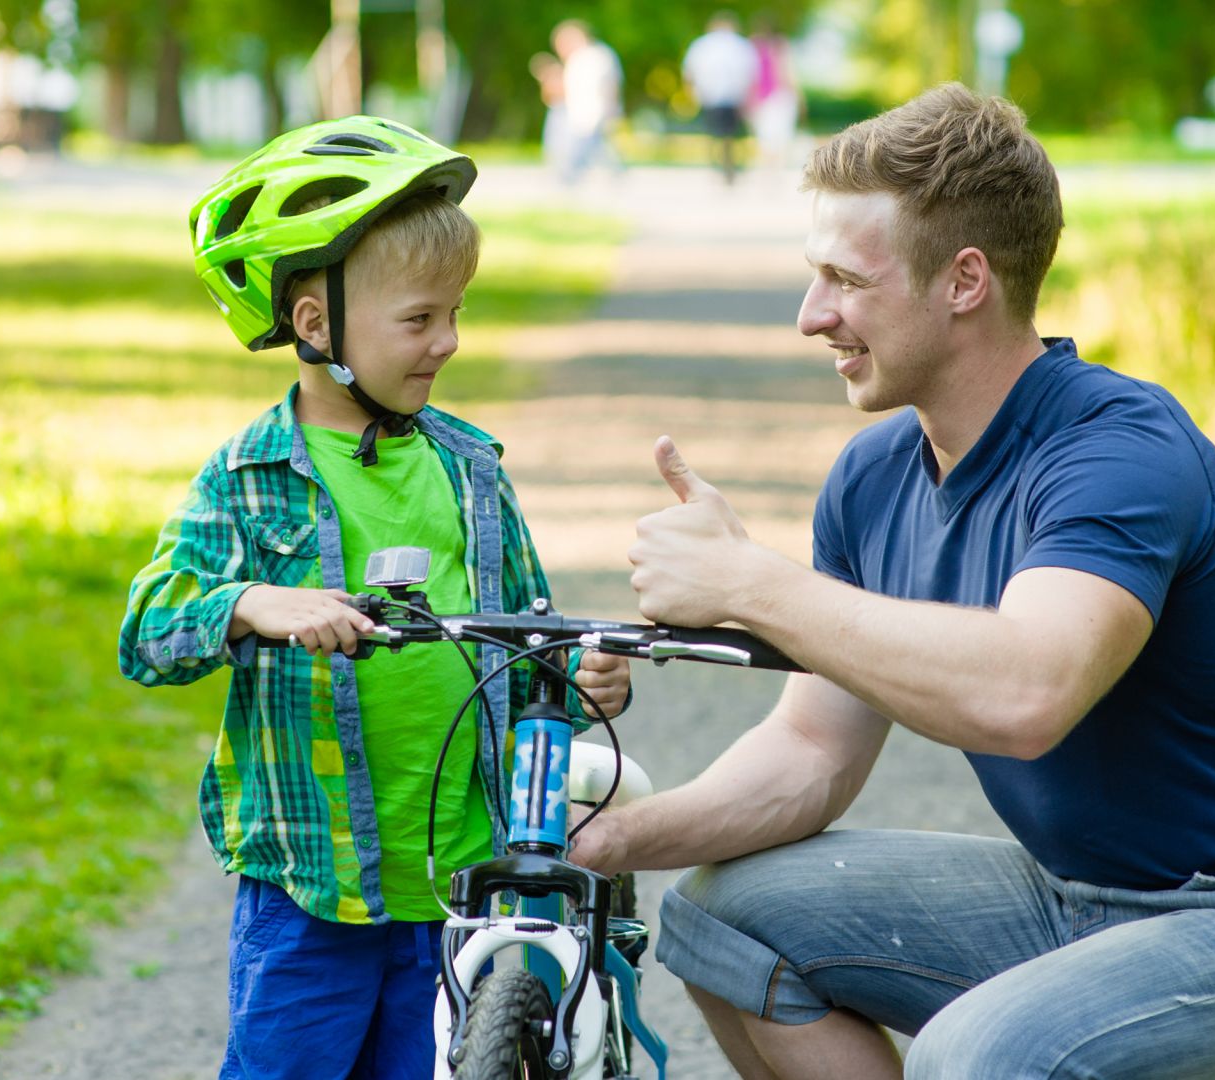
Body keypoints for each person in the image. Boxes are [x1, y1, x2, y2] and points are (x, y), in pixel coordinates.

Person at [573, 85, 1215, 1078]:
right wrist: (613, 840)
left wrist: (753, 584)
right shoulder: (874, 481)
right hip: (1072, 903)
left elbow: (1026, 693)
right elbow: (809, 751)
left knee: (971, 1056)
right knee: (724, 922)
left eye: (845, 280)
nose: (810, 316)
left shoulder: (1119, 451)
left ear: (965, 281)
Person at [118, 117, 632, 1080]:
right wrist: (252, 603)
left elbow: (531, 652)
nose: (447, 342)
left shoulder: (470, 469)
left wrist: (584, 676)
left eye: (456, 313)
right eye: (419, 319)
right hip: (312, 896)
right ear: (316, 327)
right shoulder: (250, 474)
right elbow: (148, 629)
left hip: (454, 894)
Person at [682, 11, 759, 185]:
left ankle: (716, 166)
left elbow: (689, 72)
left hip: (710, 96)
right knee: (729, 136)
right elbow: (750, 74)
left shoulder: (702, 45)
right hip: (732, 97)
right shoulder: (740, 45)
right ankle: (727, 166)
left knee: (713, 134)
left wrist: (693, 93)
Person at [551, 19, 622, 185]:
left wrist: (609, 109)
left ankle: (569, 179)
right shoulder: (579, 58)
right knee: (596, 149)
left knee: (582, 150)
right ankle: (614, 173)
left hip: (594, 112)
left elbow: (610, 86)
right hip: (580, 113)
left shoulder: (597, 56)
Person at [746, 12, 803, 174]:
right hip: (776, 97)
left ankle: (771, 170)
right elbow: (789, 73)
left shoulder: (755, 45)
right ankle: (774, 170)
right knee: (776, 136)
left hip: (770, 97)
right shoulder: (776, 45)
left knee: (768, 136)